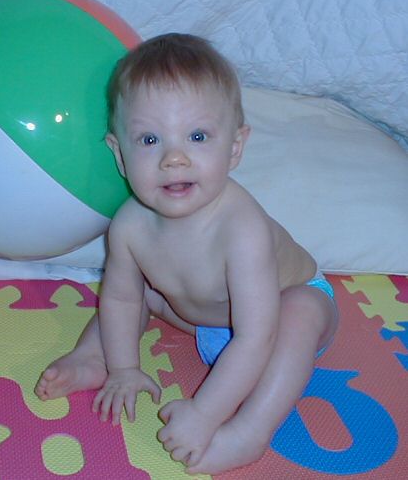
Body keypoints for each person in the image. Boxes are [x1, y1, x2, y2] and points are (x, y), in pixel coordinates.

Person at [34, 33, 339, 474]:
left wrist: (204, 413)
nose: (173, 158)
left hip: (272, 324)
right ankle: (96, 358)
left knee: (301, 312)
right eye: (149, 140)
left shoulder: (242, 229)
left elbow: (257, 336)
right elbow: (120, 299)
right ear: (119, 155)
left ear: (234, 147)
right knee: (136, 296)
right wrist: (125, 368)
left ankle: (250, 433)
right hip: (201, 319)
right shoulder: (129, 226)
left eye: (197, 136)